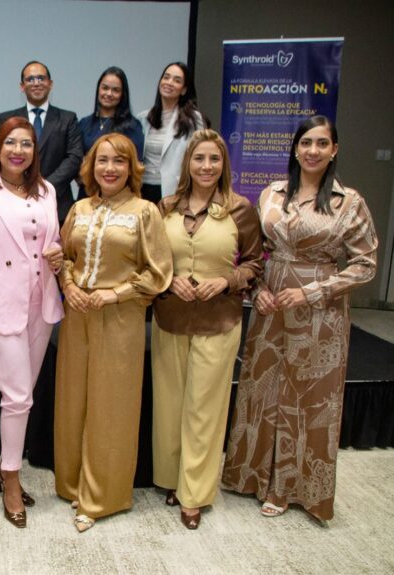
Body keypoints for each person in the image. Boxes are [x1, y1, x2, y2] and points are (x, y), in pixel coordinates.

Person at [221, 116, 378, 522]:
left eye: (322, 144)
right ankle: (250, 476)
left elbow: (365, 265)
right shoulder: (272, 193)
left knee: (306, 399)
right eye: (306, 142)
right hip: (271, 304)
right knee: (261, 390)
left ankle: (289, 489)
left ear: (334, 150)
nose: (312, 150)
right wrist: (259, 292)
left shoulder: (349, 202)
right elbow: (256, 252)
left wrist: (310, 291)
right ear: (294, 148)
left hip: (320, 312)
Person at [55, 133, 172, 533]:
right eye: (102, 160)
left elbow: (157, 274)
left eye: (119, 162)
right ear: (91, 166)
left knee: (111, 406)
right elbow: (63, 257)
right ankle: (72, 483)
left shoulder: (144, 212)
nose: (109, 168)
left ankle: (101, 496)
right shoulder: (79, 207)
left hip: (120, 317)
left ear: (132, 168)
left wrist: (113, 294)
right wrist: (70, 287)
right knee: (73, 400)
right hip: (77, 316)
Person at [151, 130, 263, 530]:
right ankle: (170, 478)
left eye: (214, 159)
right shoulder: (164, 207)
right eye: (199, 158)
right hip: (170, 319)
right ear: (188, 163)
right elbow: (150, 260)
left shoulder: (240, 209)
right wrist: (167, 281)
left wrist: (228, 281)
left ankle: (194, 493)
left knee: (204, 409)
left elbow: (255, 263)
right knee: (169, 406)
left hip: (219, 321)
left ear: (224, 164)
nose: (206, 166)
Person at [0, 117, 64, 528]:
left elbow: (48, 241)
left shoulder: (47, 189)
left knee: (24, 395)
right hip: (1, 306)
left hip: (42, 304)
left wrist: (56, 253)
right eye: (11, 143)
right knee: (17, 397)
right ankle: (12, 478)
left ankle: (5, 464)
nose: (18, 150)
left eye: (27, 144)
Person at [0, 60, 84, 225]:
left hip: (58, 204)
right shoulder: (7, 119)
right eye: (30, 79)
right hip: (14, 201)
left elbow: (74, 157)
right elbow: (1, 155)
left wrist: (46, 187)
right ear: (22, 86)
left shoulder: (68, 119)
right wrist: (22, 188)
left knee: (56, 251)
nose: (36, 83)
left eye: (41, 78)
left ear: (50, 84)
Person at [138, 62, 205, 204]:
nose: (169, 82)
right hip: (143, 190)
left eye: (177, 80)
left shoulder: (193, 119)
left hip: (174, 191)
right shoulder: (144, 118)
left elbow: (200, 156)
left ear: (184, 90)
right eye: (166, 77)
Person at [78, 66, 144, 167]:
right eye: (105, 88)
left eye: (116, 90)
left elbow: (136, 165)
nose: (109, 94)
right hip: (86, 182)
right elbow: (76, 160)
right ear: (98, 89)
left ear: (122, 94)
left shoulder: (132, 126)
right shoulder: (84, 124)